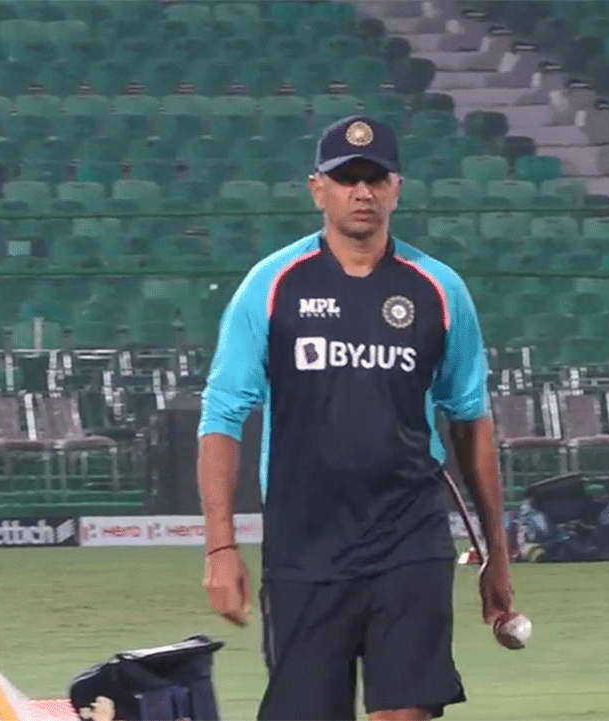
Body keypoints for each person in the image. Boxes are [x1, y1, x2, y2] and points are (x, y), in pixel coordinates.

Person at [196, 115, 517, 721]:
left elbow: (470, 421)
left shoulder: (439, 289)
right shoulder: (269, 286)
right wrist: (220, 547)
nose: (362, 192)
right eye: (347, 179)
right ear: (317, 189)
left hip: (409, 539)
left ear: (398, 188)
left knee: (406, 711)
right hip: (304, 547)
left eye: (375, 178)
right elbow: (221, 416)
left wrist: (497, 553)